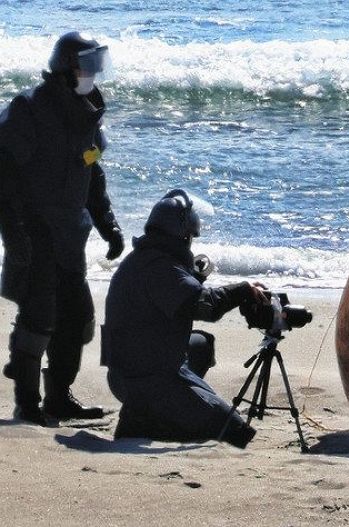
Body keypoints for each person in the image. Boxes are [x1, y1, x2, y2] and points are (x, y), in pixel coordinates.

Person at [0, 32, 124, 425]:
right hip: (34, 230)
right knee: (39, 318)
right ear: (65, 67)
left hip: (71, 232)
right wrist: (13, 232)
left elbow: (92, 173)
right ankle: (27, 404)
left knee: (79, 320)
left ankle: (58, 398)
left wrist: (108, 225)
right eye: (88, 64)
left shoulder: (87, 111)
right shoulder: (29, 108)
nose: (94, 72)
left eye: (97, 64)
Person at [102, 189, 271, 448]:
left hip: (133, 368)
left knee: (200, 344)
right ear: (182, 235)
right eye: (190, 236)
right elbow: (207, 307)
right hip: (144, 381)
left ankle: (171, 408)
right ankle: (145, 419)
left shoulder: (145, 259)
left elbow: (177, 301)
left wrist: (202, 279)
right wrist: (242, 290)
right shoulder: (161, 268)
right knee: (234, 431)